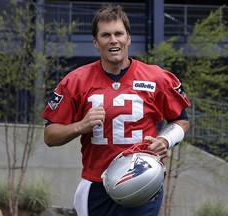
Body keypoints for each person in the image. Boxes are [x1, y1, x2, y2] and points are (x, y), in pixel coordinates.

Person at [42, 4, 190, 216]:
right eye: (105, 35)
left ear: (128, 38)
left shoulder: (156, 78)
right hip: (97, 185)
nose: (113, 40)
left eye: (119, 33)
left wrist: (165, 140)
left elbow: (181, 120)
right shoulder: (76, 81)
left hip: (143, 179)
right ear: (96, 42)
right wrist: (80, 126)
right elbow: (49, 135)